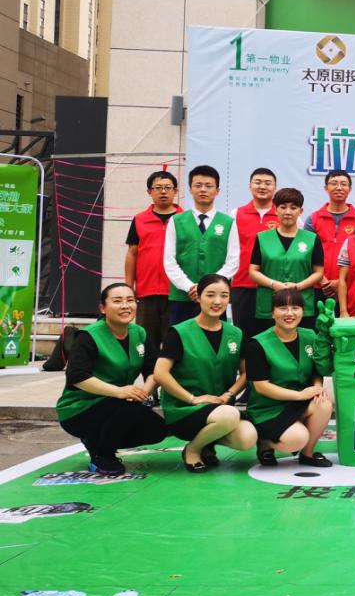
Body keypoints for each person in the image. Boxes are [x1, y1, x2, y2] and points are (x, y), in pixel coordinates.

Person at [57, 283, 168, 475]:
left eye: (130, 300)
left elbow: (153, 370)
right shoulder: (89, 336)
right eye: (117, 301)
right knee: (129, 409)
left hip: (119, 404)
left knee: (157, 430)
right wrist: (120, 391)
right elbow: (77, 377)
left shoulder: (139, 333)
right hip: (80, 408)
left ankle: (95, 439)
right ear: (103, 308)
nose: (125, 305)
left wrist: (143, 392)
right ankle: (103, 455)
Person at [153, 274, 256, 473]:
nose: (217, 301)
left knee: (247, 438)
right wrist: (192, 399)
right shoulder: (179, 332)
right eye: (210, 295)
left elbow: (246, 373)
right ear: (198, 297)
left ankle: (206, 443)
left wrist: (229, 394)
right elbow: (160, 373)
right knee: (230, 415)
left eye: (224, 295)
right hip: (184, 409)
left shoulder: (236, 334)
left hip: (220, 408)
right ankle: (193, 450)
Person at [245, 287, 334, 468]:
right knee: (297, 438)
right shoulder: (257, 343)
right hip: (268, 408)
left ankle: (308, 454)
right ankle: (264, 441)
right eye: (283, 308)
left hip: (300, 402)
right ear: (272, 313)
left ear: (303, 311)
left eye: (295, 308)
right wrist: (301, 395)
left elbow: (316, 371)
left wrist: (317, 387)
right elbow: (262, 387)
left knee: (324, 402)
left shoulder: (310, 336)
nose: (289, 313)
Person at [162, 165, 240, 326]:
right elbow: (169, 261)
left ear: (217, 191)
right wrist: (189, 287)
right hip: (183, 295)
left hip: (215, 298)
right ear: (190, 189)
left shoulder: (228, 222)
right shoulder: (176, 221)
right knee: (180, 337)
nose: (203, 189)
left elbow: (233, 261)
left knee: (214, 337)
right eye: (198, 185)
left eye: (208, 186)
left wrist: (210, 286)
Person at [248, 188, 325, 333]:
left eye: (293, 208)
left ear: (301, 211)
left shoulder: (312, 239)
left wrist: (298, 286)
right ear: (275, 209)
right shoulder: (262, 238)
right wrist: (274, 284)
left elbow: (319, 272)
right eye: (283, 207)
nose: (288, 212)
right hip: (269, 303)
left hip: (302, 303)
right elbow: (253, 271)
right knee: (268, 342)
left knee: (303, 342)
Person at [124, 170, 182, 350]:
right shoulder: (140, 220)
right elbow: (132, 254)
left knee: (176, 342)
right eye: (158, 188)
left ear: (175, 191)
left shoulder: (185, 219)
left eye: (168, 187)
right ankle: (150, 369)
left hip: (177, 292)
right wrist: (128, 287)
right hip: (146, 292)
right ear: (149, 191)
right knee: (146, 342)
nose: (163, 191)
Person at [229, 168, 278, 338]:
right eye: (258, 182)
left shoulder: (284, 214)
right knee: (243, 336)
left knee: (273, 337)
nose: (262, 186)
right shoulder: (236, 214)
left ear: (275, 188)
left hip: (275, 286)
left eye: (268, 183)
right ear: (249, 186)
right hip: (243, 285)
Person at [305, 169, 355, 301]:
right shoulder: (313, 219)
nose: (339, 187)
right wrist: (322, 280)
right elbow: (306, 253)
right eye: (334, 183)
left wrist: (341, 281)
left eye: (343, 184)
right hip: (317, 286)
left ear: (350, 189)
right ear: (326, 188)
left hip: (348, 286)